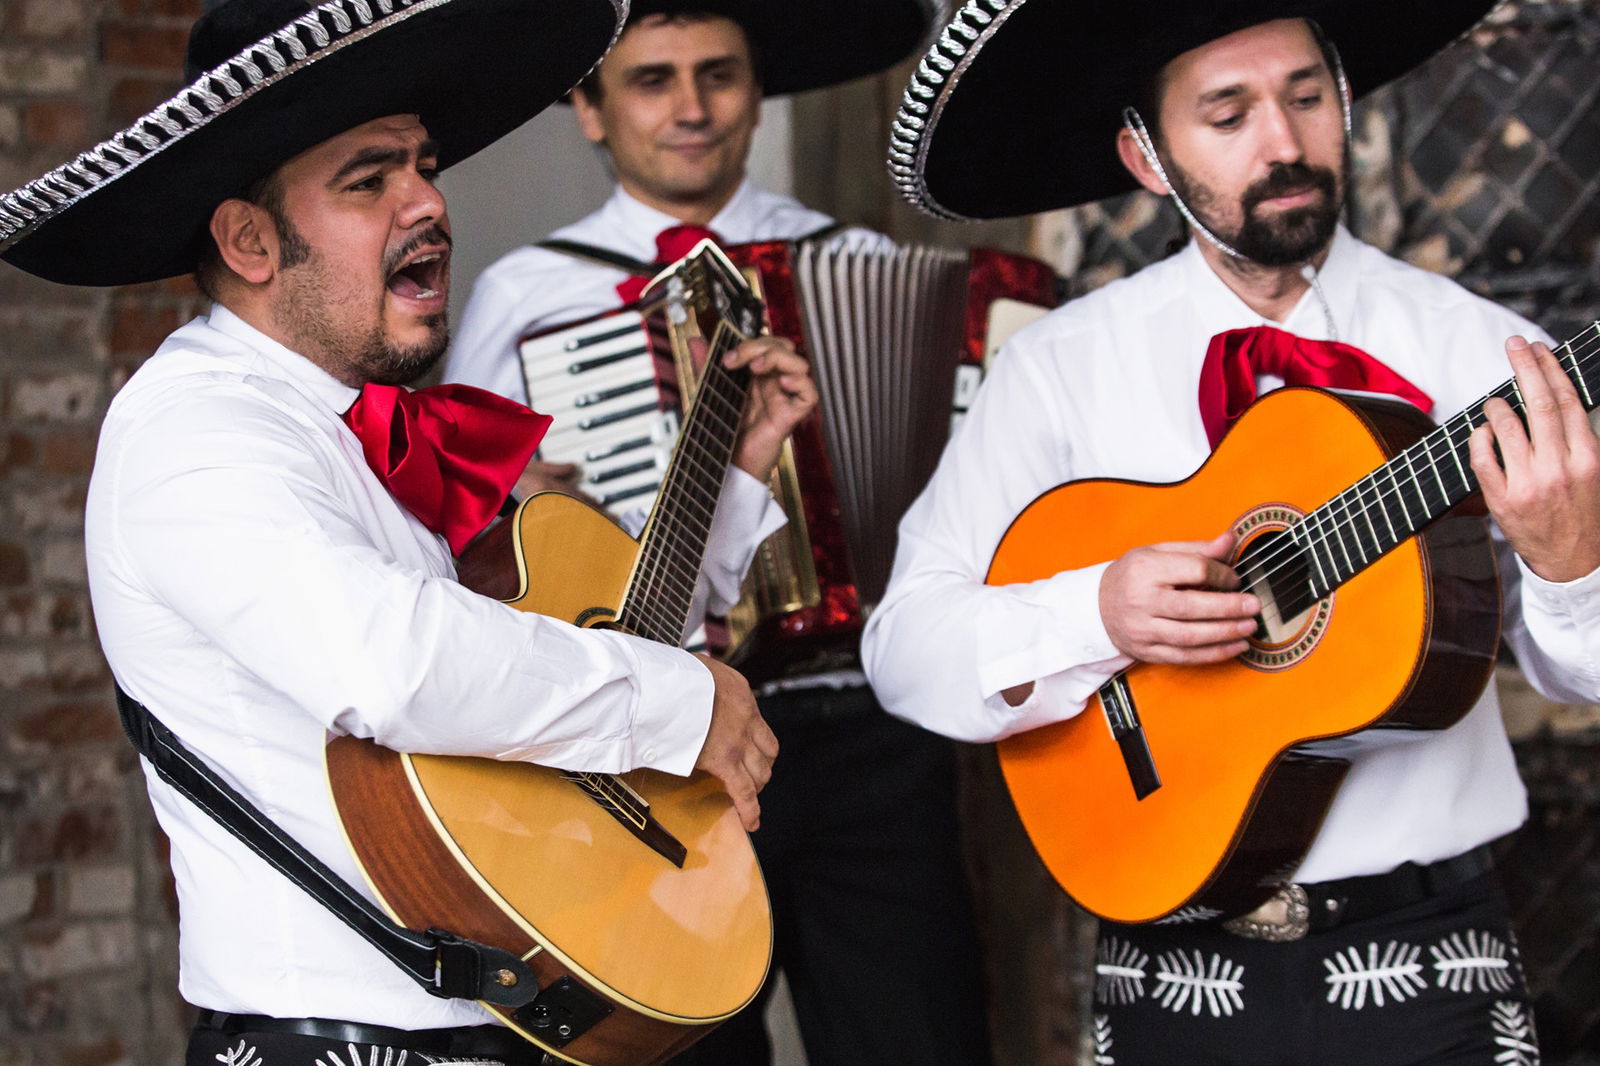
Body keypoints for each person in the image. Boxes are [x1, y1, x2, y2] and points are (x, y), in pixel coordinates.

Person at [0, 0, 823, 1061]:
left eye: (423, 165)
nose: (429, 203)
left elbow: (561, 652)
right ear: (249, 239)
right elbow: (394, 663)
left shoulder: (367, 433)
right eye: (368, 178)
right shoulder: (193, 429)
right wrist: (675, 706)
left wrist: (733, 479)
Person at [866, 2, 1600, 1063]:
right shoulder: (1059, 370)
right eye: (1227, 113)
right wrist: (1094, 610)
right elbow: (903, 654)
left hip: (1432, 959)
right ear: (1147, 155)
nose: (1283, 144)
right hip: (1169, 970)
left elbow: (1581, 676)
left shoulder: (1490, 357)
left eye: (1306, 98)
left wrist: (1569, 560)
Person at [444, 4, 996, 1065]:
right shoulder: (523, 297)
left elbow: (946, 486)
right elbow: (483, 552)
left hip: (861, 728)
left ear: (755, 90)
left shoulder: (853, 257)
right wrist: (517, 500)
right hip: (655, 749)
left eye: (719, 75)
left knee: (916, 1035)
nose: (691, 109)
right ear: (589, 112)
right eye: (652, 80)